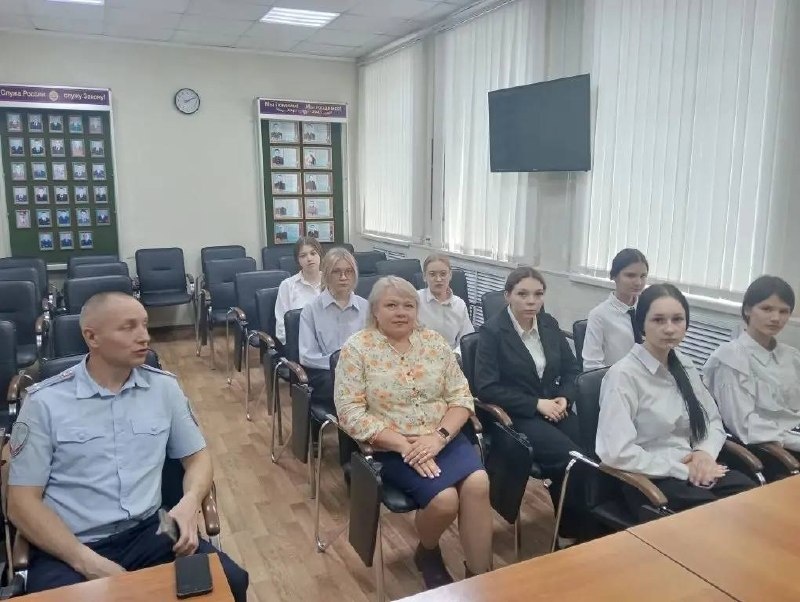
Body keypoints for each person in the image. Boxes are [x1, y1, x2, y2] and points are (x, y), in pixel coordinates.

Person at [6, 292, 249, 600]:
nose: (144, 336)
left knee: (231, 580)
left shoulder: (164, 388)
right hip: (70, 545)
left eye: (144, 325)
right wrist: (87, 562)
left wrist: (189, 504)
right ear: (92, 337)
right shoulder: (44, 403)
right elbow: (21, 503)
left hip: (153, 528)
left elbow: (197, 458)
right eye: (128, 327)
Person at [335, 276, 491, 588]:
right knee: (444, 500)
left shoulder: (434, 342)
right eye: (391, 305)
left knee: (478, 483)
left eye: (408, 305)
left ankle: (480, 580)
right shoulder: (357, 349)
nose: (401, 312)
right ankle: (428, 552)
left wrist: (439, 437)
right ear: (375, 310)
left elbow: (461, 397)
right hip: (392, 447)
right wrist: (403, 446)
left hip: (443, 438)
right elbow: (349, 412)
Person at [597, 284, 756, 515]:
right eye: (658, 320)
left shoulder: (684, 365)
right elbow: (616, 452)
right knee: (711, 516)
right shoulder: (623, 376)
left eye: (677, 319)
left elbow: (712, 421)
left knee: (750, 497)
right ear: (641, 323)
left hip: (692, 464)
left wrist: (704, 454)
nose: (669, 328)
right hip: (649, 477)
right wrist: (681, 470)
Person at [474, 267, 583, 547]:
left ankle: (589, 519)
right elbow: (486, 388)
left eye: (538, 294)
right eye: (522, 294)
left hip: (553, 406)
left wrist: (565, 397)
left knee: (593, 449)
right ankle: (569, 532)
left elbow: (572, 370)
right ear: (507, 296)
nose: (531, 301)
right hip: (515, 415)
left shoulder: (548, 324)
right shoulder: (492, 332)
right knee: (570, 458)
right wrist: (537, 404)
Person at [704, 276, 800, 454]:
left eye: (783, 311)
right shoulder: (730, 358)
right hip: (768, 449)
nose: (776, 318)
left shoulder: (792, 357)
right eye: (766, 309)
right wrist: (795, 441)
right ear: (748, 309)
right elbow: (744, 425)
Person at [299, 247, 368, 410]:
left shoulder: (366, 307)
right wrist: (342, 366)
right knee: (347, 387)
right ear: (326, 275)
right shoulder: (311, 310)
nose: (343, 277)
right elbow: (307, 356)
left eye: (348, 271)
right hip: (326, 372)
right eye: (337, 272)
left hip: (361, 370)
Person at [582, 248, 649, 370]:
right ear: (614, 276)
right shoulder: (599, 315)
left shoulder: (649, 310)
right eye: (630, 275)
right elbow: (591, 366)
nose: (638, 282)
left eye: (643, 276)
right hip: (615, 379)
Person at [416, 254, 473, 353]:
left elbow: (466, 338)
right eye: (432, 274)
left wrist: (456, 355)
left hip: (451, 356)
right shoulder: (415, 300)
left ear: (450, 275)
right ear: (424, 276)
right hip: (420, 355)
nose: (438, 279)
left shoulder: (459, 304)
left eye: (443, 274)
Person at [275, 237, 323, 344]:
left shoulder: (331, 282)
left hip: (329, 343)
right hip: (299, 344)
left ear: (320, 255)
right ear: (298, 260)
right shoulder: (287, 286)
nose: (309, 258)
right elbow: (281, 326)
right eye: (303, 255)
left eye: (313, 253)